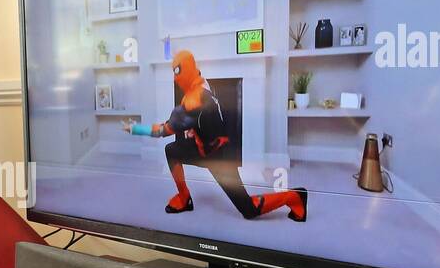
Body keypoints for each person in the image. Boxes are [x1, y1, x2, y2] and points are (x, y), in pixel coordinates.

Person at [124, 49, 308, 221]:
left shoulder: (193, 100)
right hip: (202, 147)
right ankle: (184, 198)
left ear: (187, 71)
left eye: (177, 71)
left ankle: (294, 196)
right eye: (173, 71)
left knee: (249, 210)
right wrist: (196, 127)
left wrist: (135, 129)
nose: (175, 78)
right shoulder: (201, 82)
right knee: (172, 150)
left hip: (219, 157)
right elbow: (203, 117)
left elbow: (161, 131)